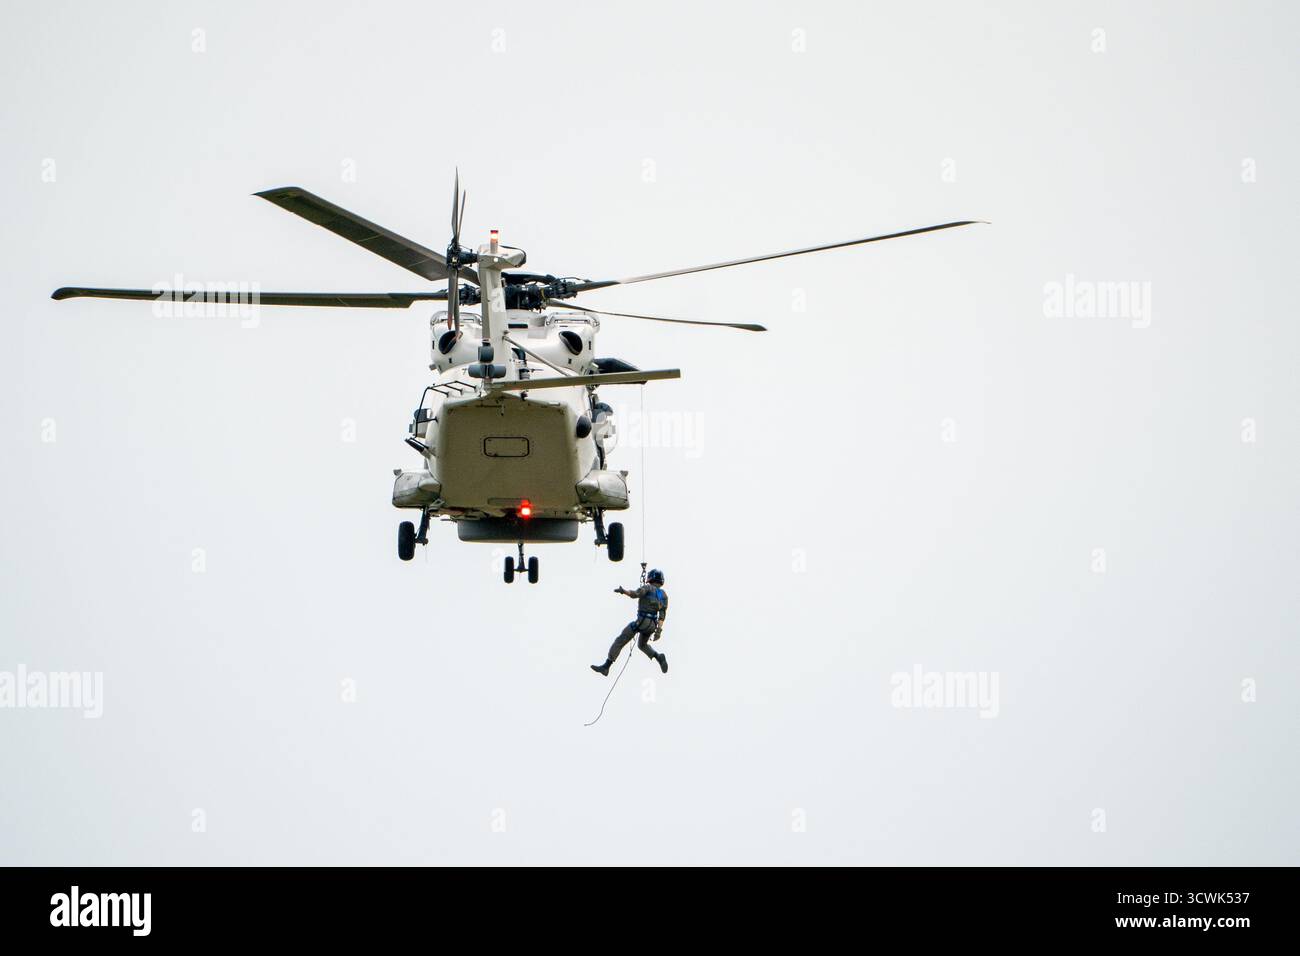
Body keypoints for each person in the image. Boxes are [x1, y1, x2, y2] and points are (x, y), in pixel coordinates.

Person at [591, 569, 668, 676]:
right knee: (642, 645)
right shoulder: (664, 596)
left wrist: (624, 591)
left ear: (650, 578)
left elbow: (635, 594)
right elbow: (662, 615)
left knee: (620, 639)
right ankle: (658, 657)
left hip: (642, 622)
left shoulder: (647, 588)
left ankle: (606, 666)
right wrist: (658, 631)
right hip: (652, 626)